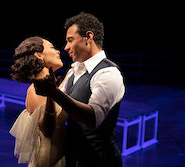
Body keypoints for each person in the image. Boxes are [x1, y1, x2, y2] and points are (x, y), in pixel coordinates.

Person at [32, 12, 125, 167]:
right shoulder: (74, 72)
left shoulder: (108, 73)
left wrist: (54, 92)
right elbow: (53, 115)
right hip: (74, 160)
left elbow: (93, 119)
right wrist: (50, 93)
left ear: (88, 37)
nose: (65, 47)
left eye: (70, 40)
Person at [9, 36, 71, 167]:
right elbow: (48, 129)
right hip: (51, 160)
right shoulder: (37, 92)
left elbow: (58, 94)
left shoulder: (40, 89)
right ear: (39, 55)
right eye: (52, 47)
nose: (58, 51)